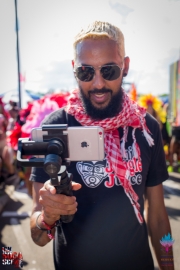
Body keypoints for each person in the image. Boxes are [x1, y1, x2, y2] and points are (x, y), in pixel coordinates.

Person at [29, 21, 174, 270]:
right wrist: (46, 217)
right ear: (74, 69)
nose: (97, 84)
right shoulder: (54, 128)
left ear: (125, 66)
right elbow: (38, 236)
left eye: (109, 71)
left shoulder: (146, 128)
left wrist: (169, 264)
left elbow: (159, 218)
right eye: (86, 72)